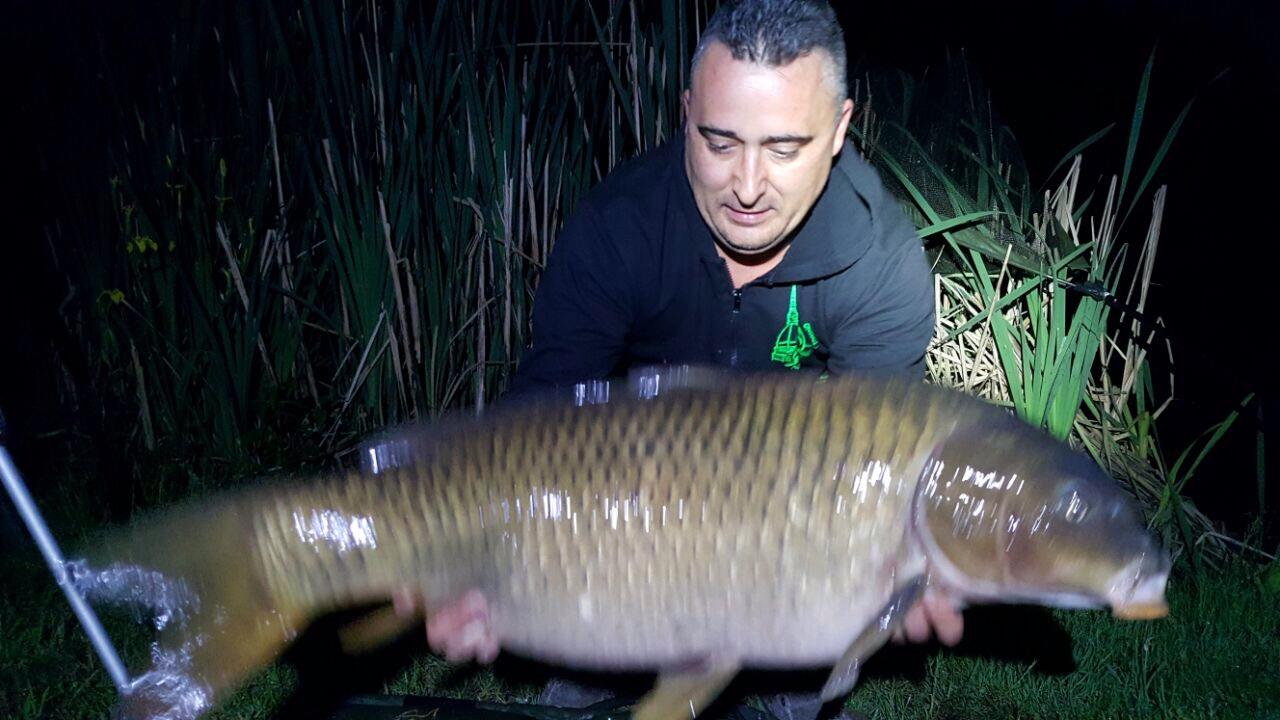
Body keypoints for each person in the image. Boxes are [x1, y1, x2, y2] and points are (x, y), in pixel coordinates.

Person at [400, 0, 962, 717]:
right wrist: (483, 562)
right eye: (720, 142)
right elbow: (535, 418)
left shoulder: (879, 263)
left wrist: (902, 573)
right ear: (686, 111)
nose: (749, 186)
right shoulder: (620, 226)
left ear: (839, 131)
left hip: (785, 556)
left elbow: (878, 475)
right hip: (619, 542)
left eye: (785, 148)